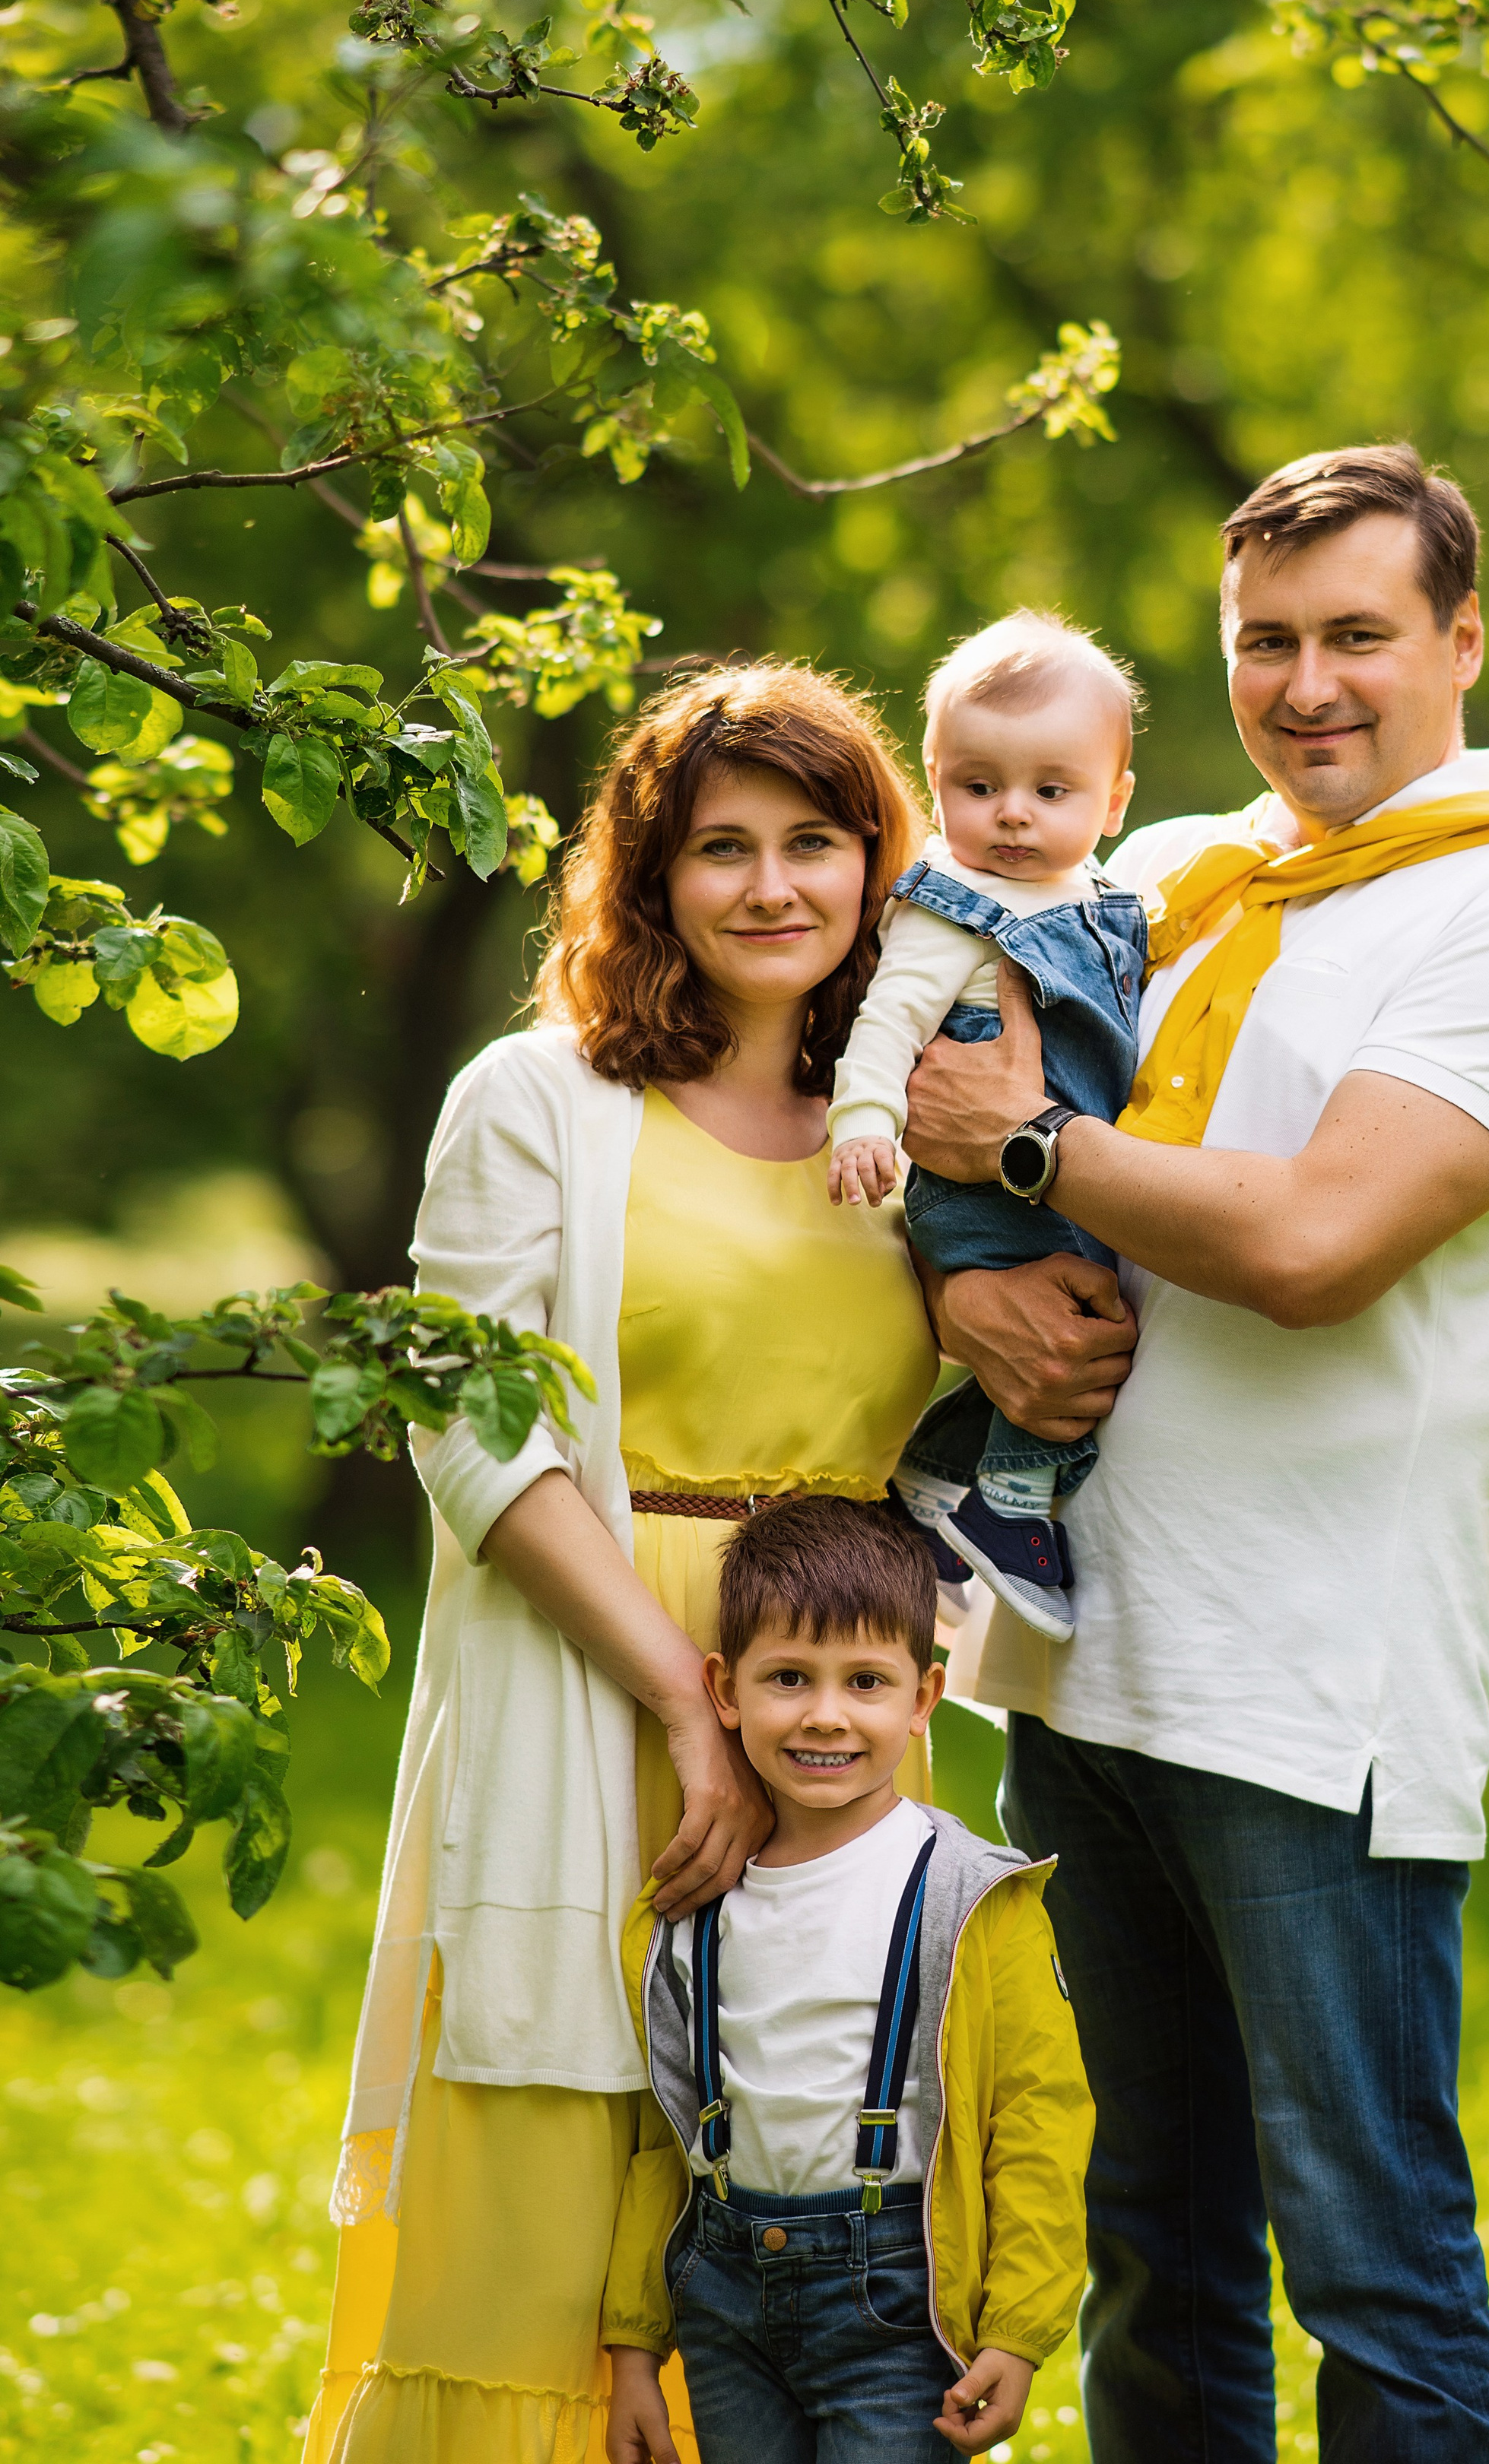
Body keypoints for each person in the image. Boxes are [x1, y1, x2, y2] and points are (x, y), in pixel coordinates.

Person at [900, 443, 1489, 2463]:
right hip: (1082, 1672)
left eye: (1360, 635)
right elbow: (938, 1142)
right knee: (1148, 2263)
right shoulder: (1169, 873)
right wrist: (965, 1291)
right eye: (1262, 641)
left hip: (1314, 1697)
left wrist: (1023, 1142)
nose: (1308, 684)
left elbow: (1309, 1243)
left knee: (1373, 2272)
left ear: (1462, 638)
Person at [305, 664, 945, 2464]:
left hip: (834, 1700)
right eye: (717, 847)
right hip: (602, 1673)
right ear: (647, 878)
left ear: (877, 864)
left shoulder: (925, 1132)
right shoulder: (536, 1098)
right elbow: (463, 1425)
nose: (767, 888)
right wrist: (681, 1699)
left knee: (806, 2198)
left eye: (813, 842)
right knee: (544, 2201)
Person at [602, 1495, 1093, 2464]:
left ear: (923, 1699)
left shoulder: (970, 1896)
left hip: (894, 2303)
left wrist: (1017, 2329)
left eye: (865, 1679)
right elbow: (668, 2135)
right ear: (724, 1687)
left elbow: (1038, 2120)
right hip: (723, 2296)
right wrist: (631, 2343)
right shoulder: (694, 1907)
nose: (826, 1713)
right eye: (789, 1676)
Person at [826, 611, 1148, 1641]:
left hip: (1059, 1172)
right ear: (935, 778)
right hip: (980, 1194)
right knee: (1080, 1319)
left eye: (1051, 792)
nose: (1012, 817)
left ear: (1114, 799)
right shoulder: (952, 906)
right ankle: (1009, 1506)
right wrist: (864, 1121)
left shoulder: (1104, 894)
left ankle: (932, 1474)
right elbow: (888, 1024)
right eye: (978, 787)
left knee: (1077, 1306)